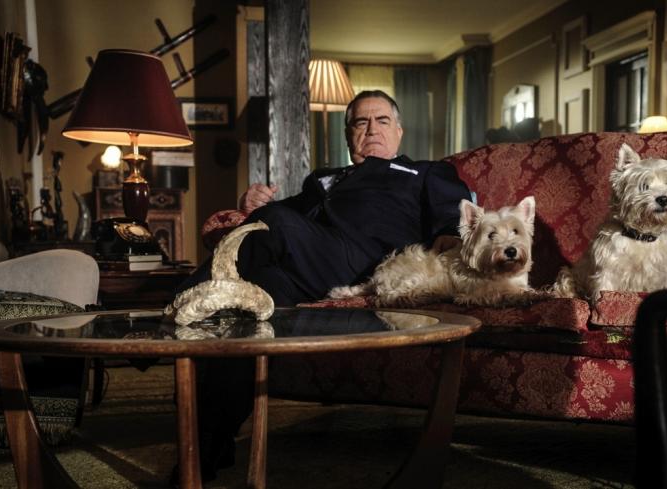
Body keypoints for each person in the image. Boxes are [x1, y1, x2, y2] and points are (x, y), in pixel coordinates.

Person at [173, 90, 472, 484]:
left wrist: (452, 233)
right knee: (246, 321)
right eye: (360, 122)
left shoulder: (424, 172)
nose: (371, 129)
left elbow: (456, 209)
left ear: (399, 131)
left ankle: (173, 309)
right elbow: (280, 216)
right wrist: (250, 203)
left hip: (368, 264)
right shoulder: (323, 178)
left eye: (382, 120)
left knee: (274, 224)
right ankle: (207, 450)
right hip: (306, 268)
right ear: (348, 135)